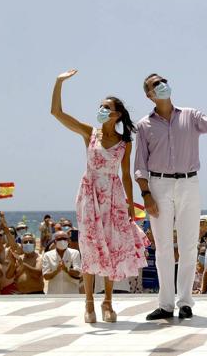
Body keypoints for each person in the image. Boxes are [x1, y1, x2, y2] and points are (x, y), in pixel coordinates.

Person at [135, 73, 207, 320]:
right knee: (163, 248)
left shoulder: (190, 116)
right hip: (158, 185)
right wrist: (146, 194)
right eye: (154, 85)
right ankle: (166, 304)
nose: (161, 85)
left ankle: (185, 302)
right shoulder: (143, 125)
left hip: (189, 183)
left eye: (163, 81)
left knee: (189, 245)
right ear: (149, 94)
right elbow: (140, 166)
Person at [51, 69, 147, 323]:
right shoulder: (89, 133)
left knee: (112, 247)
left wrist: (129, 203)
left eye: (107, 107)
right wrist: (59, 83)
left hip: (113, 198)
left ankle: (107, 302)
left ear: (116, 114)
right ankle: (89, 303)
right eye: (101, 106)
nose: (102, 110)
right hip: (89, 195)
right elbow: (57, 113)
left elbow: (126, 175)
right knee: (89, 247)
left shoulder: (125, 142)